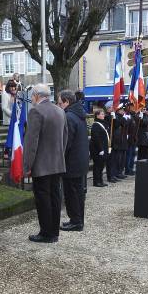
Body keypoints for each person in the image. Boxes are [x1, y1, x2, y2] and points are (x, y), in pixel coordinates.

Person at [23, 84, 68, 243]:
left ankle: (46, 233)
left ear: (35, 95)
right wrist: (59, 156)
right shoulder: (60, 110)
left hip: (41, 165)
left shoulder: (35, 111)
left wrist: (27, 166)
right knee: (55, 197)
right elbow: (65, 137)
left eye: (32, 96)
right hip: (57, 163)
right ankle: (54, 232)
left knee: (43, 200)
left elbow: (31, 142)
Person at [57, 90, 88, 232]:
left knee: (72, 193)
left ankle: (75, 221)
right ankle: (78, 220)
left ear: (66, 102)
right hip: (80, 160)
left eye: (59, 103)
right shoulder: (79, 114)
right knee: (78, 193)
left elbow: (66, 143)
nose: (58, 106)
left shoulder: (69, 116)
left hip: (72, 162)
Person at [90, 108, 109, 187]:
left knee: (101, 166)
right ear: (97, 116)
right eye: (101, 114)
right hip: (97, 149)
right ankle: (96, 181)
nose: (103, 115)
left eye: (103, 114)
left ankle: (100, 180)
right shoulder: (95, 125)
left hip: (103, 148)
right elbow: (96, 138)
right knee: (97, 166)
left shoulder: (102, 123)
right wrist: (100, 149)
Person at [111, 105, 128, 179]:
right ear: (118, 110)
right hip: (117, 141)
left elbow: (126, 125)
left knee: (122, 158)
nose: (123, 111)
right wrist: (114, 118)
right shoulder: (116, 117)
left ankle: (120, 172)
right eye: (121, 110)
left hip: (122, 140)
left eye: (123, 110)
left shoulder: (122, 118)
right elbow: (117, 125)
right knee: (117, 159)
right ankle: (116, 172)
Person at [124, 104, 137, 175]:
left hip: (133, 138)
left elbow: (136, 124)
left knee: (132, 154)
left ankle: (131, 168)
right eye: (131, 107)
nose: (133, 108)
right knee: (128, 154)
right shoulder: (126, 116)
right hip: (128, 138)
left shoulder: (133, 116)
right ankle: (127, 169)